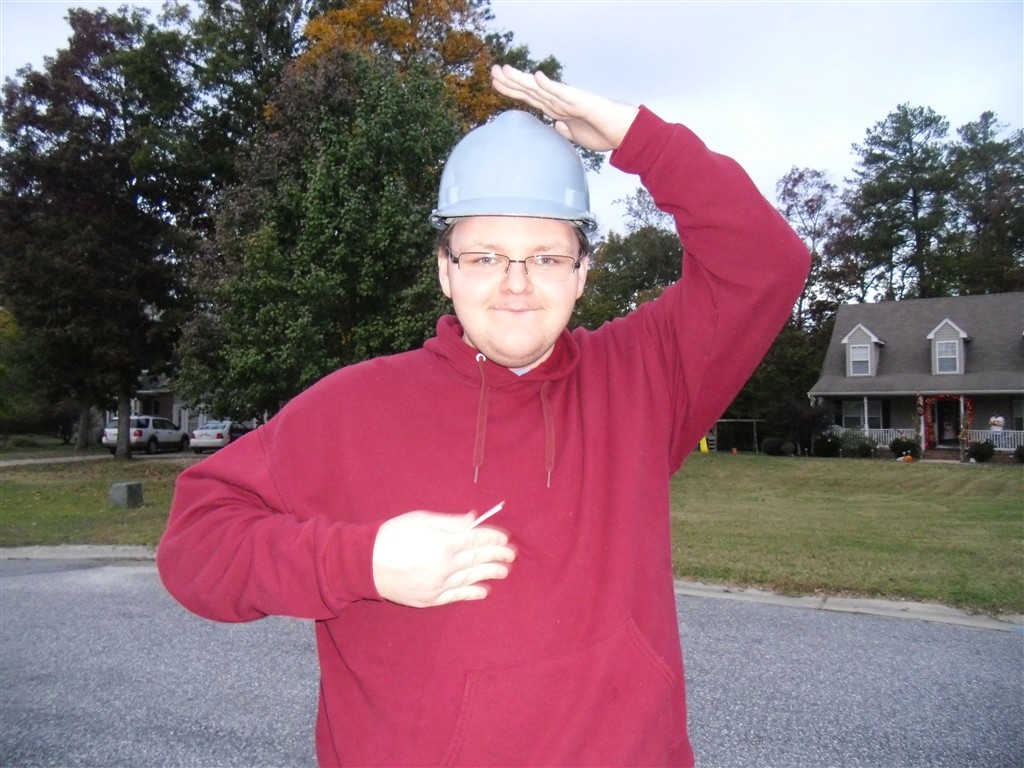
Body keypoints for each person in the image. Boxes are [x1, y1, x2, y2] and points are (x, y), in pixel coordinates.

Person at [157, 65, 810, 766]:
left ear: (582, 272)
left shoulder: (646, 379)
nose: (516, 285)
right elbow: (195, 548)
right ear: (446, 270)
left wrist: (639, 139)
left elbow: (765, 262)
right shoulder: (351, 407)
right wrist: (362, 562)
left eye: (546, 257)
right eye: (486, 256)